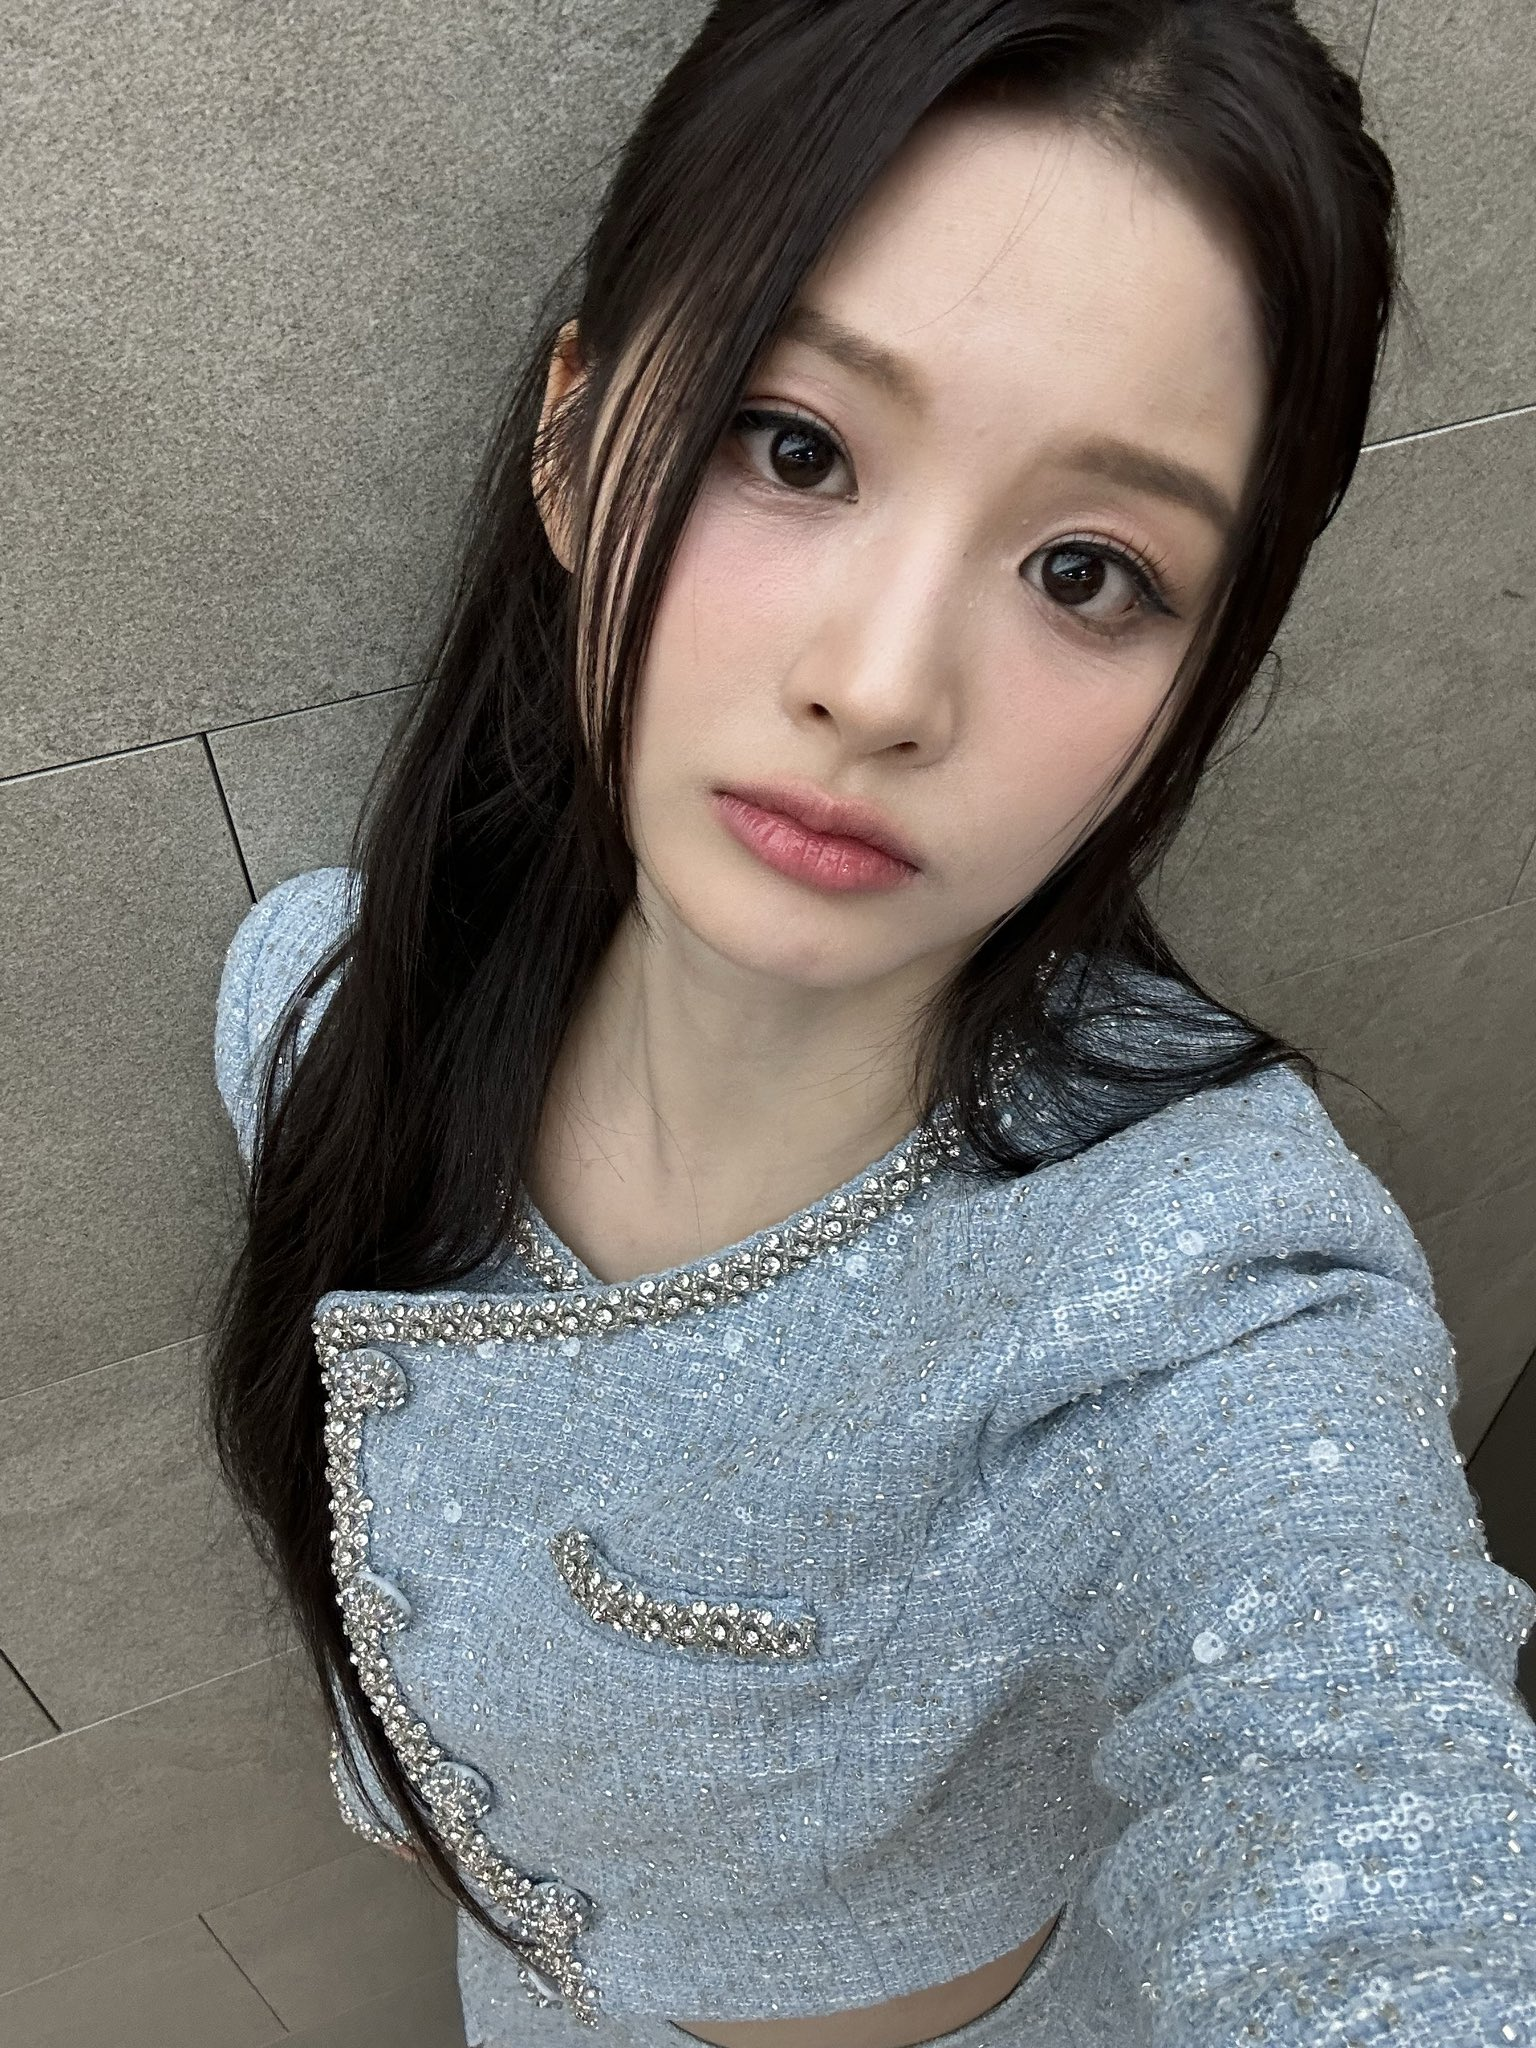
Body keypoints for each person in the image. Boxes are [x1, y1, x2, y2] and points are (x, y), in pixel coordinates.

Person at [206, 3, 1536, 2043]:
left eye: (1088, 570)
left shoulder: (1202, 1301)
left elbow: (1366, 1789)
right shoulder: (321, 1011)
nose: (888, 684)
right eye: (795, 445)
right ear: (574, 440)